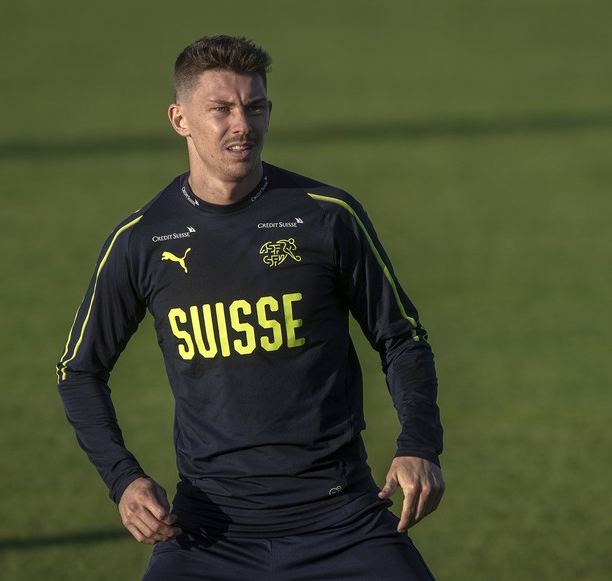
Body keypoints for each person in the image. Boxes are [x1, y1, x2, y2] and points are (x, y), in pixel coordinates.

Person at [57, 35, 444, 580]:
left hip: (343, 522)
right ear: (180, 119)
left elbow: (401, 337)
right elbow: (80, 371)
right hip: (210, 535)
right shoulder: (141, 241)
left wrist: (419, 444)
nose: (242, 124)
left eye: (255, 107)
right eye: (221, 109)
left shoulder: (326, 216)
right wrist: (124, 479)